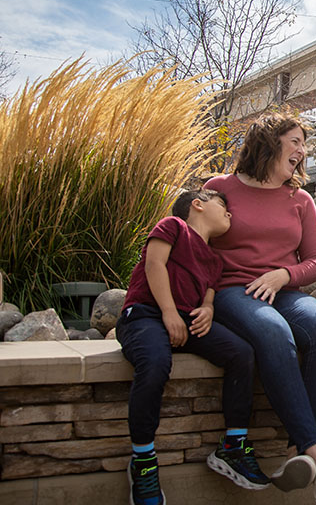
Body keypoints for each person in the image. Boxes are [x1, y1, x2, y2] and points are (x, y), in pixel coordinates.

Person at [206, 113, 316, 505]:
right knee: (274, 333)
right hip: (234, 290)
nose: (303, 151)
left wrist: (283, 276)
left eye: (304, 144)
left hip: (282, 289)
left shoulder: (299, 199)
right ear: (269, 143)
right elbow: (195, 243)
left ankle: (294, 453)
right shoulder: (220, 188)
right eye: (296, 141)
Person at [117, 189, 268, 505]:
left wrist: (209, 311)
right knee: (156, 364)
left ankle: (233, 446)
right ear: (197, 205)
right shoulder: (173, 226)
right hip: (146, 314)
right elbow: (154, 265)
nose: (229, 213)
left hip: (187, 323)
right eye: (223, 206)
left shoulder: (215, 259)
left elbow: (209, 297)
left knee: (241, 352)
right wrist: (169, 313)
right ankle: (143, 462)